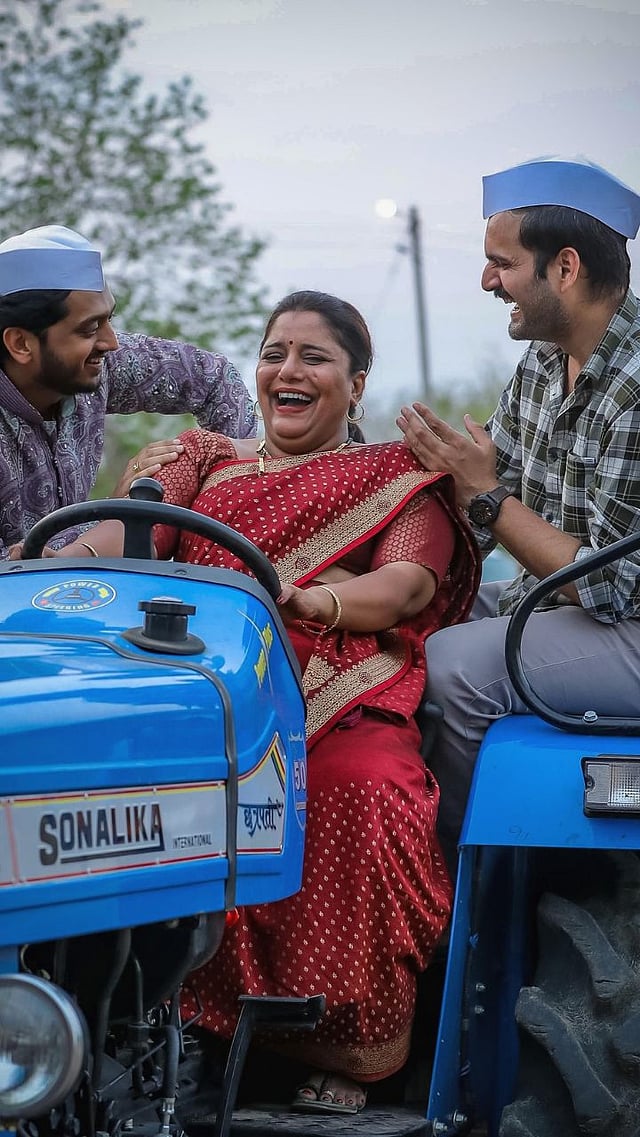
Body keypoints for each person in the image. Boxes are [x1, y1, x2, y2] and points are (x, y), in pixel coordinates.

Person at [49, 290, 481, 1113]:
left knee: (364, 789)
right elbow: (128, 534)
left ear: (357, 384)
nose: (288, 370)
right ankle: (145, 1022)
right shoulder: (206, 458)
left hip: (336, 685)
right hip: (198, 680)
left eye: (314, 357)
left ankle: (346, 1051)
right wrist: (44, 565)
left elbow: (407, 583)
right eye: (275, 353)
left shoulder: (397, 475)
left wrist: (318, 599)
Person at [397, 156, 640, 870]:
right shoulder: (544, 360)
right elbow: (472, 491)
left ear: (565, 268)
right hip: (567, 601)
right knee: (405, 622)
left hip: (627, 621)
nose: (486, 281)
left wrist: (488, 497)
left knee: (456, 669)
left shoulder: (635, 385)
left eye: (501, 264)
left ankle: (453, 887)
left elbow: (607, 585)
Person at [0, 224, 256, 559]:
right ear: (20, 343)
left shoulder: (103, 364)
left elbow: (216, 378)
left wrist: (231, 488)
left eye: (109, 319)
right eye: (90, 328)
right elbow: (17, 564)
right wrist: (112, 513)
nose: (111, 342)